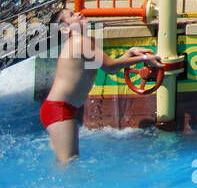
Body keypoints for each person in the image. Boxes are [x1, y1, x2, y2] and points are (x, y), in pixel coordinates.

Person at [42, 9, 163, 163]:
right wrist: (144, 58)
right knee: (69, 162)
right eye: (72, 16)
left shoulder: (86, 41)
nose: (78, 13)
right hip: (59, 110)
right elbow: (110, 67)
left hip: (59, 108)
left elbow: (110, 66)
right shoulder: (79, 42)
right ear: (65, 29)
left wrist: (131, 53)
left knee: (62, 162)